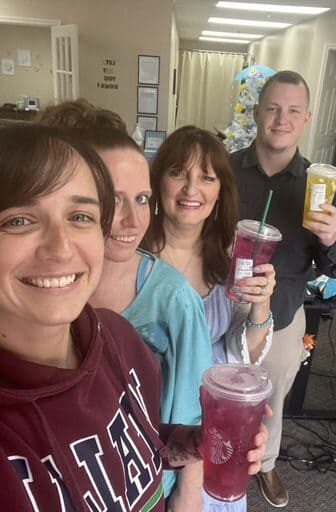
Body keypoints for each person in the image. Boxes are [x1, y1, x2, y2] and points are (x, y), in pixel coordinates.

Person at [0, 123, 268, 511]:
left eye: (80, 216)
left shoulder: (120, 339)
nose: (59, 248)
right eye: (19, 220)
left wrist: (202, 442)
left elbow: (141, 442)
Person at [37, 100, 212, 510]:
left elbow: (189, 424)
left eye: (141, 199)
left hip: (142, 485)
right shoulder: (45, 298)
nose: (132, 222)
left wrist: (189, 492)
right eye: (111, 199)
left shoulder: (170, 302)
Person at [230, 70, 336, 507]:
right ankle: (211, 460)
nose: (281, 119)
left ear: (306, 119)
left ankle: (266, 464)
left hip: (281, 314)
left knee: (271, 397)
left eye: (293, 111)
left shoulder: (320, 188)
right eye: (272, 108)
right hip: (220, 306)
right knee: (206, 386)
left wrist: (330, 239)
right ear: (256, 114)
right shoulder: (223, 171)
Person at [142, 125, 276, 511]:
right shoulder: (130, 255)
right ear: (158, 182)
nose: (190, 188)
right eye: (178, 172)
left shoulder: (232, 262)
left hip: (210, 426)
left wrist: (261, 302)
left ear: (219, 194)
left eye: (206, 177)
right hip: (147, 420)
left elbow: (241, 356)